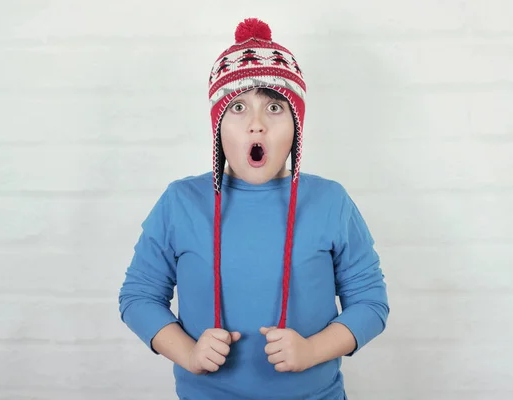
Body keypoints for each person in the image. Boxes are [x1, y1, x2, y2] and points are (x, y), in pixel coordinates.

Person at [118, 17, 389, 400]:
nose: (256, 126)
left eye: (275, 107)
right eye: (239, 107)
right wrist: (189, 353)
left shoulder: (331, 202)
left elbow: (370, 303)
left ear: (296, 125)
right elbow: (139, 296)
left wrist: (312, 350)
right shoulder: (180, 202)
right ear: (218, 125)